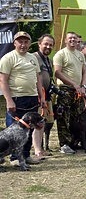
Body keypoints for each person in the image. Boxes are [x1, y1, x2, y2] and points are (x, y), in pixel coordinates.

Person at [0, 31, 46, 165]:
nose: (23, 44)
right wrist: (9, 100)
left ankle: (25, 156)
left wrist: (42, 97)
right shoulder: (8, 58)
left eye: (26, 42)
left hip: (32, 98)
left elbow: (38, 78)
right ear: (15, 43)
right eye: (20, 41)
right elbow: (3, 80)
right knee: (13, 131)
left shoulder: (33, 58)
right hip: (16, 99)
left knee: (29, 130)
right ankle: (14, 158)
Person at [53, 31, 86, 155]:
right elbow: (57, 72)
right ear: (65, 41)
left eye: (75, 38)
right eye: (70, 38)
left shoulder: (80, 55)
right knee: (63, 117)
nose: (72, 40)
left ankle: (73, 141)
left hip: (78, 90)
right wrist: (74, 84)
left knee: (76, 116)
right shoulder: (60, 54)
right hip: (65, 90)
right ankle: (64, 144)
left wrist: (82, 86)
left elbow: (84, 72)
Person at [33, 34, 55, 157]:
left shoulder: (49, 60)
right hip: (37, 96)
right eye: (45, 43)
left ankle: (41, 148)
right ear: (39, 44)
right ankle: (37, 149)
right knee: (37, 123)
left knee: (44, 122)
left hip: (47, 96)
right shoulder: (34, 57)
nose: (48, 46)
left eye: (51, 45)